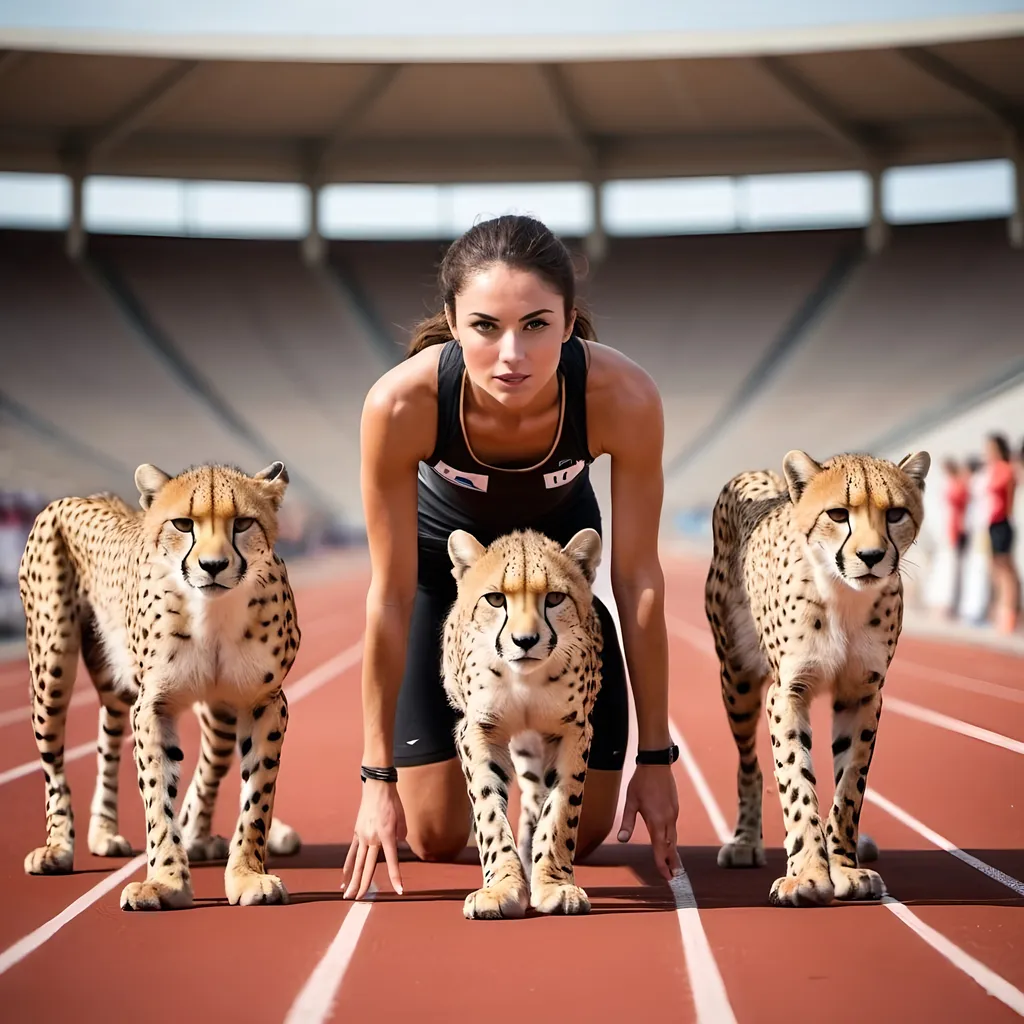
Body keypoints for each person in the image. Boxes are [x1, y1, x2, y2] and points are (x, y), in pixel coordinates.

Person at [341, 214, 681, 902]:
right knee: (434, 835)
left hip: (566, 614)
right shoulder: (400, 404)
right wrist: (376, 779)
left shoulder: (623, 396)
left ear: (568, 320)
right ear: (453, 321)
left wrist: (656, 756)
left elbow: (639, 579)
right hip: (449, 601)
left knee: (582, 836)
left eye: (536, 325)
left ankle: (546, 755)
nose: (511, 355)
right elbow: (390, 595)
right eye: (485, 326)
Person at [984, 433, 1019, 634]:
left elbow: (1010, 497)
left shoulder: (1006, 470)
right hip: (992, 523)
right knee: (995, 569)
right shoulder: (993, 470)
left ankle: (1009, 614)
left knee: (1006, 570)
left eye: (990, 448)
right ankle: (999, 611)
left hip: (1003, 523)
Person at [942, 457, 970, 618]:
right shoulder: (955, 484)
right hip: (952, 528)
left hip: (958, 529)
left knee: (957, 569)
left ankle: (955, 603)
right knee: (952, 568)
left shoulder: (960, 485)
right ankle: (952, 601)